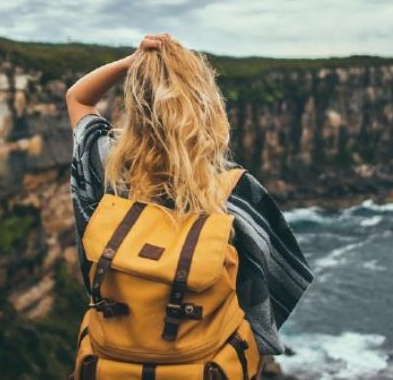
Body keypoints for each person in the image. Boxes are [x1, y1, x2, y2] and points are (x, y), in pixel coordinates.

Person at [66, 33, 314, 379]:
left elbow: (78, 98)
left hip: (109, 365)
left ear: (134, 106)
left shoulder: (104, 165)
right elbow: (274, 289)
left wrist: (130, 64)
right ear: (206, 105)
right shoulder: (235, 191)